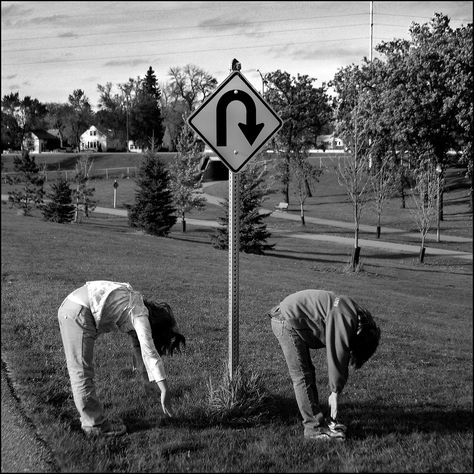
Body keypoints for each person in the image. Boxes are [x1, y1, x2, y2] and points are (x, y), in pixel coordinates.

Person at [58, 280, 185, 437]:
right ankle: (95, 426)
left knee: (80, 371)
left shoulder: (135, 301)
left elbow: (137, 346)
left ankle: (91, 420)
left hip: (73, 307)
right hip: (78, 313)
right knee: (81, 373)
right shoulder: (140, 316)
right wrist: (164, 389)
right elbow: (149, 352)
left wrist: (147, 380)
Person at [267, 289, 381, 441]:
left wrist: (337, 389)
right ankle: (313, 429)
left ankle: (322, 422)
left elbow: (342, 355)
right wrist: (335, 392)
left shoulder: (352, 314)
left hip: (287, 316)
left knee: (307, 373)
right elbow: (337, 353)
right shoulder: (345, 318)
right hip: (285, 320)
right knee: (302, 376)